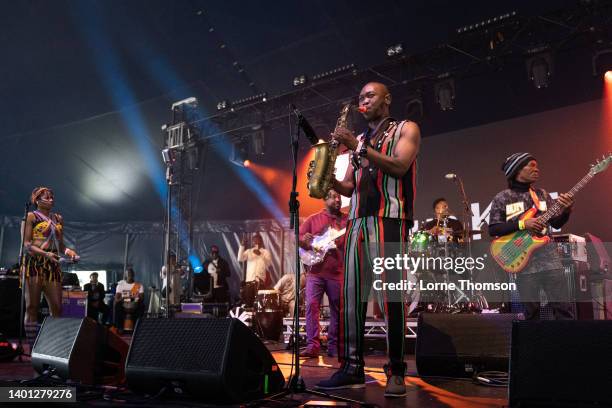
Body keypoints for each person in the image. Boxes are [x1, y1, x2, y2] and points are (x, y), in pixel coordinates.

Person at [316, 82, 421, 398]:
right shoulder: (359, 139)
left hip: (390, 219)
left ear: (387, 99)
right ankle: (351, 368)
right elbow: (349, 187)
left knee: (391, 298)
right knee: (352, 297)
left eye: (370, 95)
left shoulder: (406, 128)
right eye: (360, 97)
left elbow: (400, 166)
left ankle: (397, 371)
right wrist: (326, 179)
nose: (363, 100)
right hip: (358, 221)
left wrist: (358, 148)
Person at [488, 153, 575, 320]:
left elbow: (556, 223)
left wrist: (567, 210)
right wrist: (522, 224)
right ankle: (534, 345)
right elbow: (493, 229)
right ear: (517, 169)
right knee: (532, 314)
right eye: (532, 165)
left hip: (550, 260)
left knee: (564, 309)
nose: (537, 169)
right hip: (524, 265)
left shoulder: (542, 194)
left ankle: (568, 344)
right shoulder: (502, 197)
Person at [22, 186, 79, 348]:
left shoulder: (58, 218)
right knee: (32, 306)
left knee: (57, 307)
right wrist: (45, 254)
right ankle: (33, 346)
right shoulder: (31, 217)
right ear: (37, 200)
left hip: (52, 266)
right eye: (47, 197)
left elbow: (61, 247)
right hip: (34, 264)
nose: (51, 199)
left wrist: (70, 252)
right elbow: (26, 244)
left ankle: (55, 346)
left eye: (52, 196)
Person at [298, 189, 347, 358]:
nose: (338, 199)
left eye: (339, 196)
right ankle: (312, 346)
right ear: (324, 200)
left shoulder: (347, 220)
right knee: (311, 306)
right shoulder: (313, 219)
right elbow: (299, 238)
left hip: (337, 272)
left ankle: (334, 347)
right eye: (334, 197)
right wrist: (305, 241)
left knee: (338, 311)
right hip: (316, 272)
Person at [238, 233, 272, 307]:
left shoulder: (265, 252)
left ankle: (258, 317)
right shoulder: (249, 251)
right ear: (253, 242)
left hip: (260, 282)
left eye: (257, 240)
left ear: (261, 241)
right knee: (249, 303)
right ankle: (250, 317)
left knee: (259, 304)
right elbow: (240, 258)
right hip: (249, 281)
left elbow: (268, 264)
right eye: (254, 240)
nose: (256, 242)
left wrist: (260, 254)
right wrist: (242, 246)